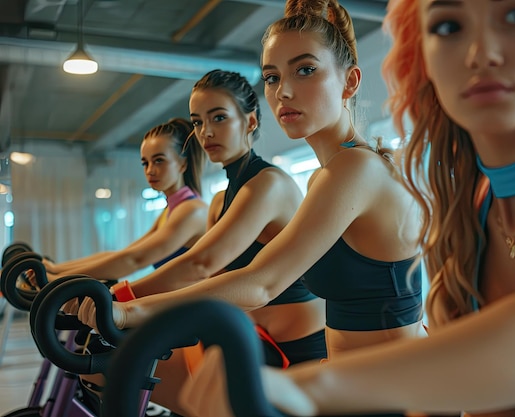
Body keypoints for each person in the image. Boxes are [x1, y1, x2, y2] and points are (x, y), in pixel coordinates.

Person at [191, 0, 515, 416]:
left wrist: (309, 387)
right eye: (449, 26)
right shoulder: (467, 206)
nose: (481, 52)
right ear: (422, 61)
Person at [78, 1, 423, 416]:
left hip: (387, 395)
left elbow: (262, 282)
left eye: (305, 69)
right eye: (272, 77)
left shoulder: (353, 169)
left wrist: (127, 308)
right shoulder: (329, 174)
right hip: (346, 382)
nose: (284, 91)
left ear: (349, 82)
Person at [41, 117, 208, 282]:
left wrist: (56, 279)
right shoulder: (170, 212)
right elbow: (125, 254)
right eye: (145, 163)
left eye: (159, 161)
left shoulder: (192, 210)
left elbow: (135, 260)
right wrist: (56, 270)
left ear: (182, 164)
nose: (150, 170)